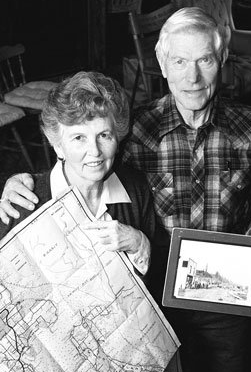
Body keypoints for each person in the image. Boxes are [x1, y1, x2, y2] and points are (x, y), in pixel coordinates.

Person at [0, 7, 251, 372]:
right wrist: (20, 181)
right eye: (180, 62)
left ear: (221, 61)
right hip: (152, 299)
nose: (193, 77)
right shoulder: (138, 131)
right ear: (162, 65)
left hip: (224, 295)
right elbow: (83, 163)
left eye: (204, 60)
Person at [0, 71, 156, 277]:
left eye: (104, 135)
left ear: (118, 138)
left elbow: (153, 284)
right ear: (58, 146)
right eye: (79, 138)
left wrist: (140, 244)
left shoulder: (136, 189)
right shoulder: (22, 203)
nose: (95, 151)